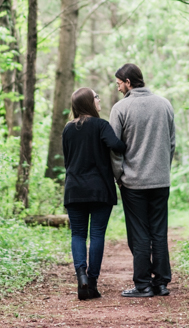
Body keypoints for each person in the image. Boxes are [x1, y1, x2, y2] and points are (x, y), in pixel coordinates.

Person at [109, 63, 175, 298]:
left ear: (128, 82)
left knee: (139, 233)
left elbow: (114, 150)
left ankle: (143, 285)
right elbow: (171, 143)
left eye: (119, 83)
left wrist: (120, 177)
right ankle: (161, 284)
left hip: (134, 183)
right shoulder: (165, 104)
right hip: (160, 181)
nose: (117, 88)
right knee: (158, 231)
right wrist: (162, 171)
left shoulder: (120, 108)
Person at [63, 87, 127, 300]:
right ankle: (91, 283)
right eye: (96, 97)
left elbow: (67, 160)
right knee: (97, 234)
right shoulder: (101, 126)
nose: (99, 100)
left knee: (78, 234)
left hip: (74, 189)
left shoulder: (67, 129)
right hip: (99, 189)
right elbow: (117, 146)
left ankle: (80, 274)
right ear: (89, 103)